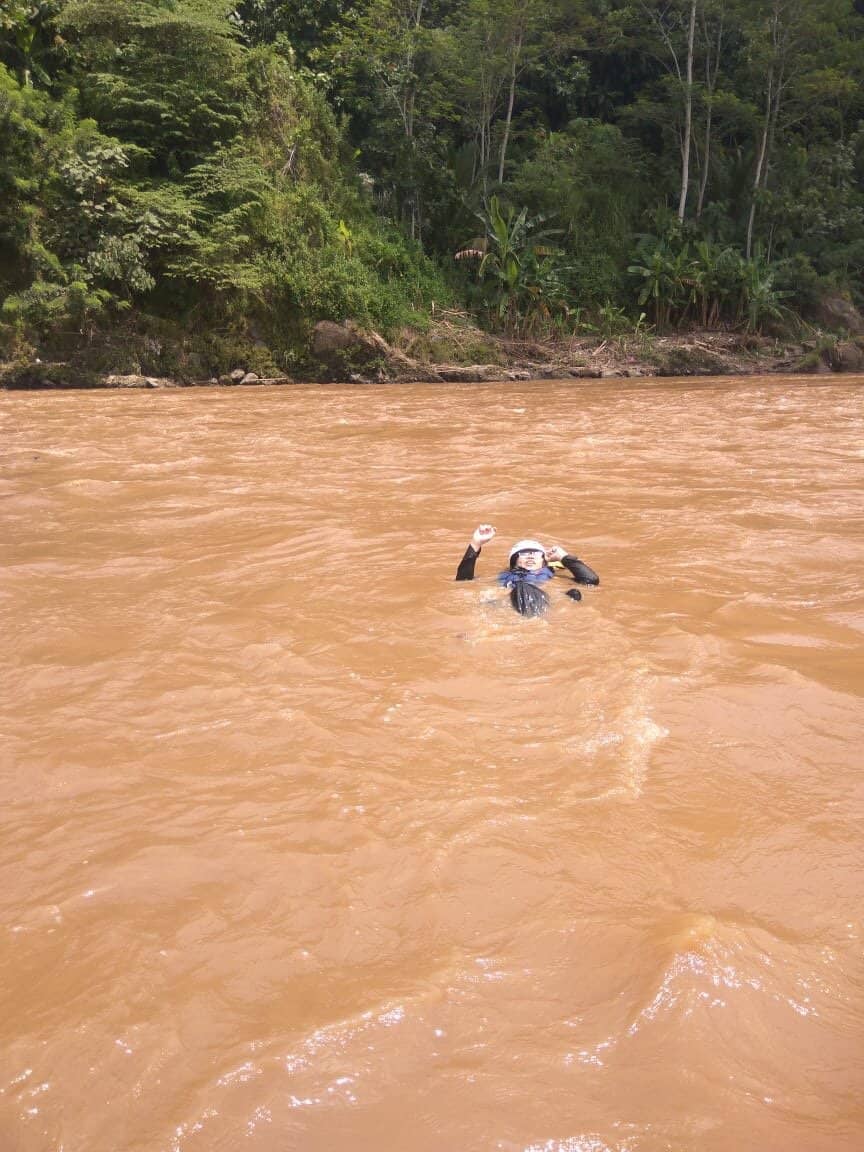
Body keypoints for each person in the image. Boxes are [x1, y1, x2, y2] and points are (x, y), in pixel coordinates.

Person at [455, 524, 599, 616]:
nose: (530, 555)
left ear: (544, 560)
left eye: (535, 553)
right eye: (524, 553)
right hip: (509, 603)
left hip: (546, 601)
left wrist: (563, 557)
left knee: (574, 593)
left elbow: (591, 581)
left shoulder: (554, 573)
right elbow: (464, 582)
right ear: (514, 561)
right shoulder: (505, 576)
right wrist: (476, 543)